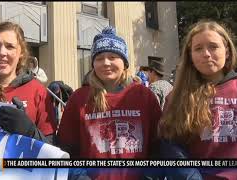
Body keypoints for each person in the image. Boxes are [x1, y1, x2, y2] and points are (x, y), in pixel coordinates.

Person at [57, 26, 162, 180]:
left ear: (124, 63)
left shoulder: (144, 96)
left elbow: (159, 146)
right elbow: (66, 149)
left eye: (113, 57)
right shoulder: (79, 99)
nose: (106, 63)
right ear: (93, 64)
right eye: (99, 58)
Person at [157, 20, 237, 179]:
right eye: (198, 49)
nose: (206, 54)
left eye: (213, 46)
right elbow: (172, 147)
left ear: (227, 51)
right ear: (190, 56)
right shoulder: (176, 97)